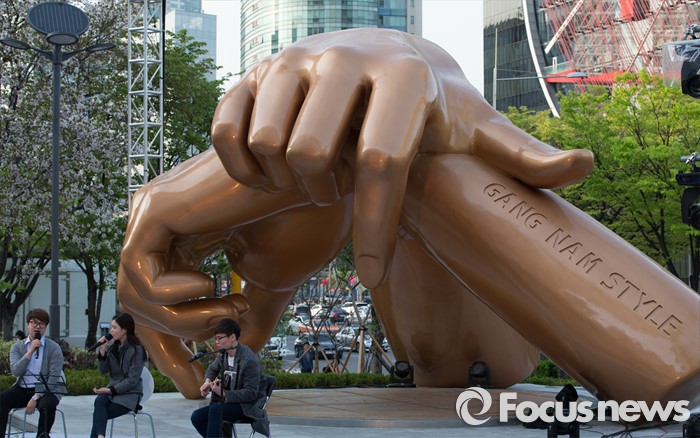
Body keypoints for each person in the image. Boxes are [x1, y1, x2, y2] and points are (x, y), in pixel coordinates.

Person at [190, 318, 270, 438]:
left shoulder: (248, 360)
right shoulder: (224, 355)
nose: (216, 342)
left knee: (216, 410)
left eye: (219, 338)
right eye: (215, 338)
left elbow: (251, 393)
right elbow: (212, 369)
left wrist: (223, 393)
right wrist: (207, 382)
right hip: (230, 403)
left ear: (232, 337)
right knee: (197, 416)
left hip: (247, 406)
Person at [0, 308, 64, 438]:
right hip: (22, 388)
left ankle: (42, 435)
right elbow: (16, 371)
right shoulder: (17, 347)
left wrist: (36, 397)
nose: (38, 327)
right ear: (27, 324)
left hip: (46, 390)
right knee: (1, 400)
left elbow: (53, 378)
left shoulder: (54, 348)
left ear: (45, 327)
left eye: (42, 324)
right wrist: (30, 352)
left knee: (48, 405)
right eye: (34, 322)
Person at [89, 313, 147, 438]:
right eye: (111, 327)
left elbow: (132, 380)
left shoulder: (137, 350)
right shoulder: (112, 348)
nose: (111, 331)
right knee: (100, 401)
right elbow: (103, 370)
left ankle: (100, 435)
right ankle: (100, 436)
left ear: (125, 329)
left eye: (115, 327)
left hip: (130, 394)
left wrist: (110, 390)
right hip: (113, 392)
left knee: (99, 415)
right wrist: (102, 351)